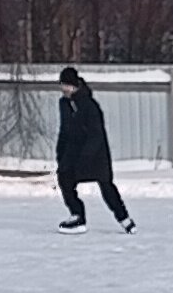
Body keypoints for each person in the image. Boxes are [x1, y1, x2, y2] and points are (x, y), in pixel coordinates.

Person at [54, 66, 133, 232]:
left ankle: (124, 219)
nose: (64, 89)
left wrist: (86, 156)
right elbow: (64, 130)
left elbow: (96, 134)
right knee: (64, 178)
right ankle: (77, 216)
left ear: (75, 86)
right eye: (62, 86)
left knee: (105, 185)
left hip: (95, 154)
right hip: (73, 151)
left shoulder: (89, 105)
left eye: (67, 86)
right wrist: (60, 153)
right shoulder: (64, 104)